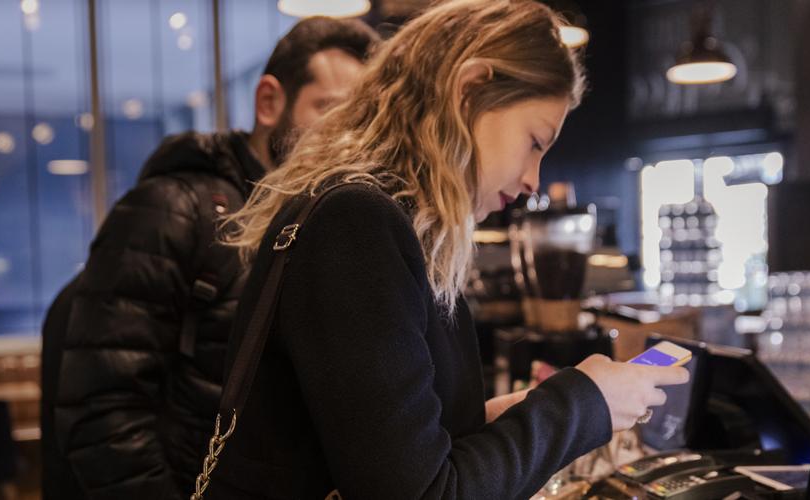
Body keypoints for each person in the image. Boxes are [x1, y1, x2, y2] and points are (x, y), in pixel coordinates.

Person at [204, 1, 689, 498]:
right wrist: (585, 405)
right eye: (534, 142)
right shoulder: (357, 223)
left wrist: (528, 413)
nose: (531, 180)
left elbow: (389, 446)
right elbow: (425, 492)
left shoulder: (392, 222)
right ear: (470, 89)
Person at [43, 17, 380, 500]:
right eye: (330, 112)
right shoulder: (173, 208)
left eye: (361, 122)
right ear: (269, 102)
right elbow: (102, 411)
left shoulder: (318, 224)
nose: (347, 139)